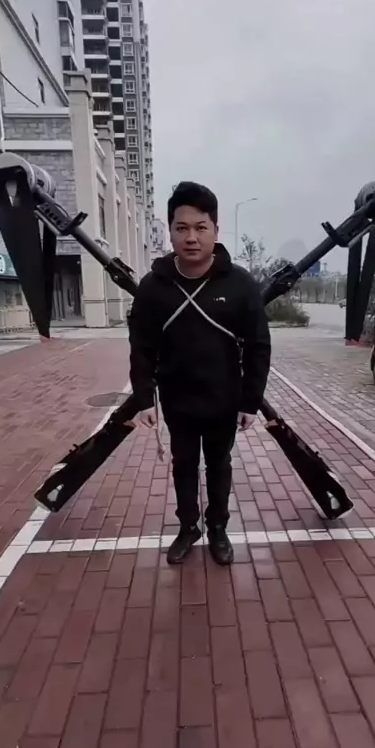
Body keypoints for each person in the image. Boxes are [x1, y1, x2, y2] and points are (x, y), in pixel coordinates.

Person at [129, 181, 271, 565]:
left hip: (224, 399)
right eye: (182, 228)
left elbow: (258, 346)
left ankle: (219, 528)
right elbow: (141, 346)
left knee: (219, 465)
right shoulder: (153, 287)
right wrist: (144, 398)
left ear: (215, 230)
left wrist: (251, 402)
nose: (191, 237)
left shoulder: (240, 284)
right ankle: (188, 527)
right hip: (177, 400)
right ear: (171, 231)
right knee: (184, 466)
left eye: (200, 227)